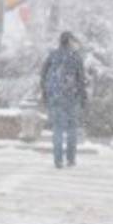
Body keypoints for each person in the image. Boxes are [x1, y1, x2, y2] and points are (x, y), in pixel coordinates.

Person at [40, 31, 87, 169]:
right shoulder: (75, 57)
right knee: (72, 128)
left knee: (58, 129)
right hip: (71, 97)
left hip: (55, 97)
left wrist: (45, 94)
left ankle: (58, 160)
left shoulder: (52, 55)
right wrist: (82, 96)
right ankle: (71, 159)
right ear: (70, 41)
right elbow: (81, 78)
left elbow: (43, 75)